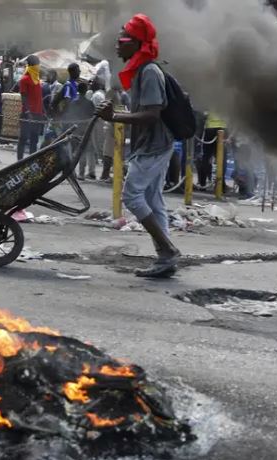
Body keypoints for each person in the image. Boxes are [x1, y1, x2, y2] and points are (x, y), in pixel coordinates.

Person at [95, 13, 181, 278]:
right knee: (154, 202)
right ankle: (165, 258)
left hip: (154, 145)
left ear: (138, 43)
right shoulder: (142, 71)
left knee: (132, 196)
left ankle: (167, 250)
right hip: (150, 144)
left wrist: (115, 117)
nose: (117, 44)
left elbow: (152, 114)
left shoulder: (150, 72)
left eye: (123, 38)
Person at [64, 82, 96, 180]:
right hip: (86, 130)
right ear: (86, 90)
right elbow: (93, 116)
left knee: (73, 152)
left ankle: (71, 172)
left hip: (75, 129)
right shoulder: (89, 103)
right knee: (83, 152)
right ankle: (81, 174)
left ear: (77, 90)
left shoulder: (73, 102)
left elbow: (69, 116)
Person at [17, 54, 44, 161]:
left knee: (34, 139)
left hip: (37, 114)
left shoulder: (36, 78)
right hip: (28, 114)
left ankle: (31, 161)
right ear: (32, 65)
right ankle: (19, 161)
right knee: (23, 138)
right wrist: (28, 112)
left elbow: (38, 98)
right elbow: (24, 97)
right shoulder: (25, 79)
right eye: (37, 64)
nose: (38, 66)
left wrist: (42, 112)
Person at [199, 111, 227, 189]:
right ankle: (221, 185)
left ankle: (202, 183)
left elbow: (203, 112)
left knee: (206, 157)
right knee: (221, 159)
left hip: (209, 128)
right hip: (223, 128)